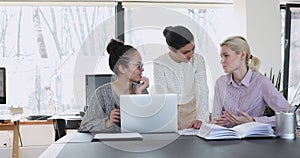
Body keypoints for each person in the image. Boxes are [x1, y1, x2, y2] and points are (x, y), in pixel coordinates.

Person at [211, 35, 289, 128]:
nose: (222, 61)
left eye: (226, 56)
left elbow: (288, 115)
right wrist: (217, 121)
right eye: (221, 56)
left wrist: (253, 121)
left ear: (242, 55)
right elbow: (215, 117)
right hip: (226, 139)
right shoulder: (221, 83)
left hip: (252, 140)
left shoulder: (261, 82)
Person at [78, 39, 149, 133]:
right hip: (108, 145)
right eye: (138, 65)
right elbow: (84, 126)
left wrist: (138, 95)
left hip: (137, 144)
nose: (142, 69)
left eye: (142, 65)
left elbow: (148, 124)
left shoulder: (141, 90)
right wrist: (108, 122)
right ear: (122, 68)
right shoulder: (101, 94)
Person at [153, 25, 209, 130]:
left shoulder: (198, 60)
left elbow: (203, 90)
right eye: (186, 52)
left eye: (193, 49)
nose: (191, 54)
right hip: (170, 111)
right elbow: (161, 94)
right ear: (171, 49)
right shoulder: (160, 63)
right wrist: (170, 118)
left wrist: (201, 117)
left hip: (193, 111)